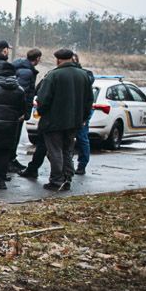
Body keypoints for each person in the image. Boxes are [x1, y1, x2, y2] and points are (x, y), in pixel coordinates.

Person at [35, 48, 92, 191]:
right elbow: (88, 100)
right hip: (74, 121)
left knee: (55, 151)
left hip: (54, 121)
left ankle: (56, 180)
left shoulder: (53, 75)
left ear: (58, 60)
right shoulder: (83, 75)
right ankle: (67, 177)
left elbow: (43, 99)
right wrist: (84, 117)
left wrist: (40, 112)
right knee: (67, 150)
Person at [9, 48, 41, 171]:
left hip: (14, 110)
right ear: (37, 58)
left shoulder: (19, 67)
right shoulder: (27, 72)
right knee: (14, 137)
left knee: (13, 137)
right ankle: (10, 162)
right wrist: (23, 112)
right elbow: (22, 93)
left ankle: (11, 159)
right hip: (18, 111)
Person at [73, 53, 95, 175]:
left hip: (82, 111)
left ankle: (82, 165)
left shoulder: (86, 75)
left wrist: (85, 116)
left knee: (82, 138)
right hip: (70, 111)